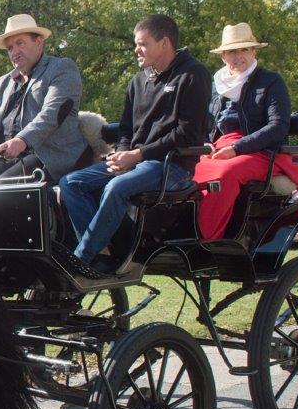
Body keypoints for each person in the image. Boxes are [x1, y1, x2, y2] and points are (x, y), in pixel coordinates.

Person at [60, 14, 211, 270]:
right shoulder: (137, 81)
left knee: (116, 188)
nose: (136, 50)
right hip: (136, 162)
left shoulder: (193, 74)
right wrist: (121, 154)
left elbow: (187, 133)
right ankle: (109, 252)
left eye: (143, 43)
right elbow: (126, 129)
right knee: (71, 183)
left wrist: (137, 155)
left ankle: (80, 262)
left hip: (171, 166)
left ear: (164, 43)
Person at [193, 23, 298, 239]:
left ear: (253, 52)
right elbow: (202, 123)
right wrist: (204, 143)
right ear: (223, 57)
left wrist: (237, 148)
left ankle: (207, 238)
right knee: (181, 169)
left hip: (260, 151)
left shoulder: (271, 82)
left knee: (224, 174)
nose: (238, 56)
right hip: (218, 149)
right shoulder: (214, 85)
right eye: (232, 51)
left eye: (243, 49)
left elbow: (277, 127)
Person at [0, 14, 84, 183]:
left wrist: (22, 140)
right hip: (5, 159)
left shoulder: (61, 68)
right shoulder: (2, 84)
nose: (15, 52)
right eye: (10, 48)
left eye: (20, 43)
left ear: (39, 43)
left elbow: (52, 114)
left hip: (45, 155)